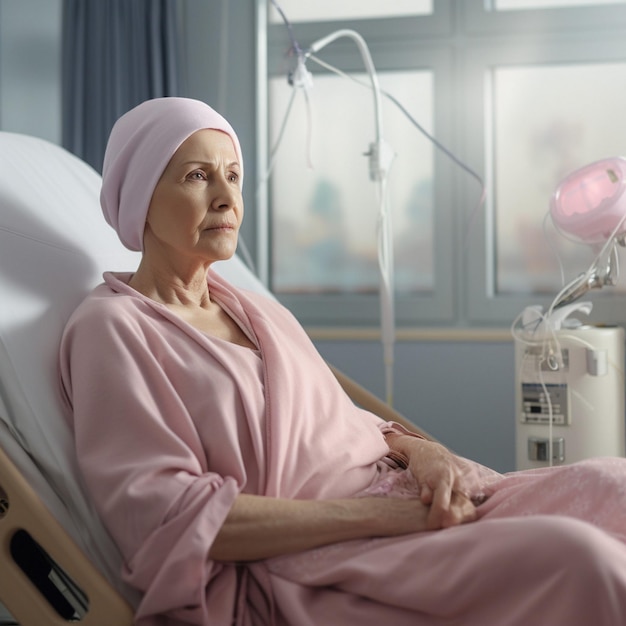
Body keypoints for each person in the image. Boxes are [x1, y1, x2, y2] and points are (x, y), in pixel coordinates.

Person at [59, 97, 626, 626]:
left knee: (612, 484)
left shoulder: (257, 310)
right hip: (318, 553)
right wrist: (391, 520)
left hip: (409, 495)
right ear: (139, 197)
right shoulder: (113, 330)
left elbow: (344, 425)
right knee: (580, 559)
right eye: (197, 176)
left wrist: (423, 453)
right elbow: (170, 517)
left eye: (232, 175)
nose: (227, 198)